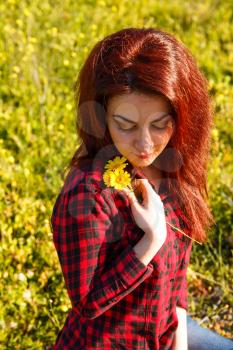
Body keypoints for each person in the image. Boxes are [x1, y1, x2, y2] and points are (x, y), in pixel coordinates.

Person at [50, 28, 233, 349]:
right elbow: (87, 303)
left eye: (160, 123)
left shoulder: (173, 166)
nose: (146, 144)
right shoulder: (88, 193)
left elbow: (177, 276)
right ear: (101, 113)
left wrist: (178, 345)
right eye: (126, 124)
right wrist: (151, 241)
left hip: (167, 333)